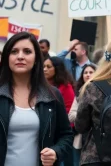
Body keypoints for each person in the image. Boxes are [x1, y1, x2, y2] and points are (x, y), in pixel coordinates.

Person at [0, 32, 73, 165]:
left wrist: (56, 152)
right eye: (14, 51)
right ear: (7, 58)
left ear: (36, 59)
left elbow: (66, 135)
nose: (20, 56)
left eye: (27, 51)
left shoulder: (52, 95)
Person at [69, 64, 97, 166]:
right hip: (79, 138)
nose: (88, 75)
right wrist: (84, 116)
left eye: (91, 72)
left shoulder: (101, 92)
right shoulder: (79, 93)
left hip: (96, 141)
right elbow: (71, 115)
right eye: (85, 73)